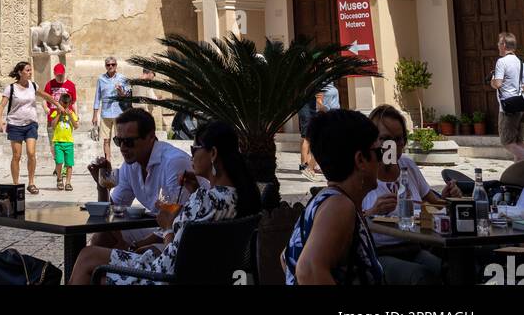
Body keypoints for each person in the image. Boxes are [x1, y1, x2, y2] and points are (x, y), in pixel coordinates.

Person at [70, 120, 261, 285]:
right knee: (94, 252)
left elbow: (174, 260)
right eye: (119, 142)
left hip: (165, 277)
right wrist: (195, 191)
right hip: (201, 275)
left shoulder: (204, 199)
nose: (191, 155)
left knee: (87, 257)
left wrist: (168, 226)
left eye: (195, 149)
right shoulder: (238, 197)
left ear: (213, 154)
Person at [284, 108, 385, 285]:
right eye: (379, 153)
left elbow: (286, 258)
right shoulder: (339, 206)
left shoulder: (325, 201)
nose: (382, 160)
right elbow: (308, 271)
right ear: (360, 160)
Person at [362, 104, 460, 284]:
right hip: (379, 252)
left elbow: (435, 202)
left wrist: (449, 197)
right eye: (385, 139)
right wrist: (372, 211)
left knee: (455, 271)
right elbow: (347, 218)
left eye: (399, 139)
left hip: (413, 247)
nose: (394, 146)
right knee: (421, 276)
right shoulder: (363, 172)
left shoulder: (407, 166)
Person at [86, 107, 189, 251]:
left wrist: (134, 247)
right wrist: (102, 185)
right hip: (159, 228)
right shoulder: (131, 165)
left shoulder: (173, 163)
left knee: (93, 255)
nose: (122, 148)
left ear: (150, 137)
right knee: (101, 237)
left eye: (128, 142)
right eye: (118, 141)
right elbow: (113, 212)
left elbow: (173, 221)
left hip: (182, 237)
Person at [0, 61, 60, 194]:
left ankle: (31, 183)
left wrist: (57, 104)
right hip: (15, 125)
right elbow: (2, 105)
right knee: (17, 156)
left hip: (31, 124)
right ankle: (16, 184)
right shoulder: (11, 88)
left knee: (31, 153)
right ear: (20, 73)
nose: (30, 72)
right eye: (28, 70)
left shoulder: (33, 85)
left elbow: (44, 95)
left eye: (31, 70)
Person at [491, 32, 524, 163]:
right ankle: (519, 177)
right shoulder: (520, 62)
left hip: (508, 108)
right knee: (519, 142)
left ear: (504, 45)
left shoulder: (502, 62)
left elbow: (498, 84)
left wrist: (492, 80)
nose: (498, 46)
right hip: (521, 105)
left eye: (499, 43)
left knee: (507, 142)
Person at [92, 56, 131, 162]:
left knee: (121, 139)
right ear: (105, 66)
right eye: (108, 65)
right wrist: (95, 115)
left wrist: (121, 92)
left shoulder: (122, 78)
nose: (110, 66)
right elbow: (97, 98)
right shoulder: (101, 79)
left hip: (119, 113)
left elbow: (127, 96)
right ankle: (108, 162)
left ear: (116, 65)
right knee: (106, 140)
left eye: (113, 64)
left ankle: (126, 160)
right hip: (105, 114)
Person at [43, 62, 77, 170]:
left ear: (64, 73)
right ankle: (58, 164)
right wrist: (46, 109)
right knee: (53, 145)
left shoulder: (70, 85)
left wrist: (76, 114)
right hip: (53, 118)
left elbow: (74, 102)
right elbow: (44, 100)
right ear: (54, 73)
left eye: (61, 74)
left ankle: (62, 168)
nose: (60, 76)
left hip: (66, 119)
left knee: (65, 143)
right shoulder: (49, 84)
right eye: (57, 74)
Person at [50, 91, 79, 191]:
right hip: (58, 142)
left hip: (69, 143)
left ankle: (68, 182)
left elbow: (76, 126)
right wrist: (58, 114)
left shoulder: (72, 114)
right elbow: (53, 126)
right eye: (63, 103)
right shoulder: (55, 112)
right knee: (59, 161)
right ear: (60, 102)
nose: (65, 105)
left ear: (70, 104)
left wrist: (70, 116)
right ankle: (59, 178)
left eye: (67, 104)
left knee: (69, 164)